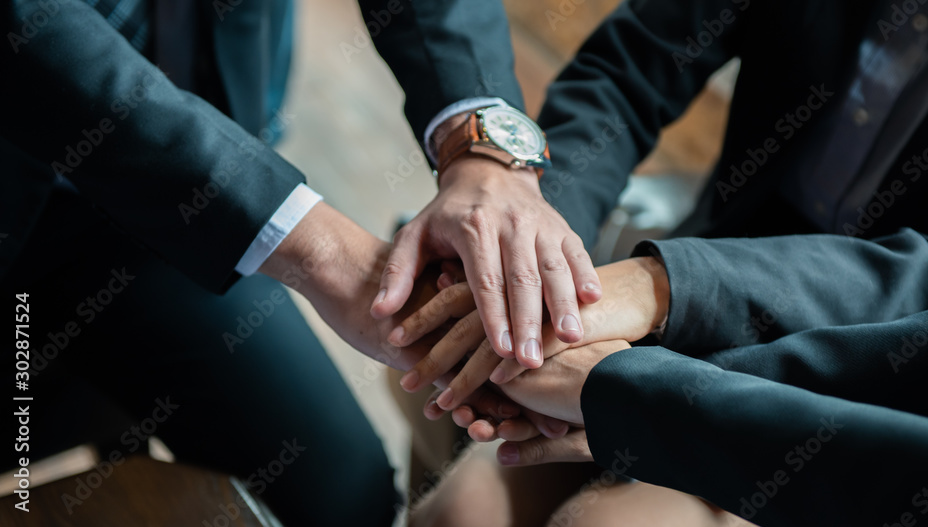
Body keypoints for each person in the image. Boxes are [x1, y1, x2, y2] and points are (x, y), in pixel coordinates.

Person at [389, 0, 928, 524]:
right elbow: (633, 70)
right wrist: (530, 236)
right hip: (710, 284)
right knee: (462, 512)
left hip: (899, 380)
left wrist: (663, 286)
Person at [0, 0, 571, 524]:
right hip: (35, 181)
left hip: (181, 209)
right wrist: (319, 248)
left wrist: (481, 151)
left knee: (346, 497)